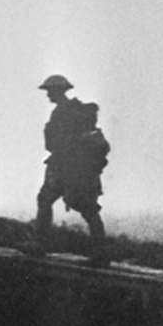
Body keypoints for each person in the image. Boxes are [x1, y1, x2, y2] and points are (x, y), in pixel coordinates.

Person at [31, 74, 110, 260]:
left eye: (50, 91)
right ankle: (101, 252)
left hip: (67, 167)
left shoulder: (62, 112)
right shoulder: (72, 110)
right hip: (75, 167)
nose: (48, 95)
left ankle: (40, 244)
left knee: (77, 205)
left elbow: (56, 144)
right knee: (84, 207)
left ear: (58, 91)